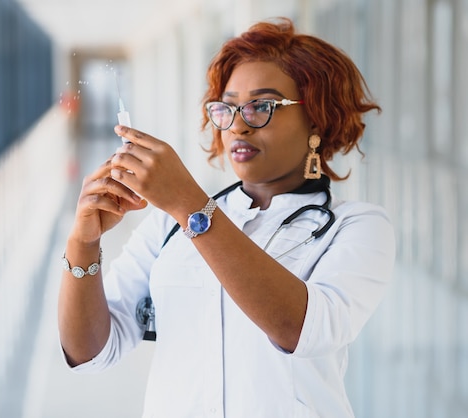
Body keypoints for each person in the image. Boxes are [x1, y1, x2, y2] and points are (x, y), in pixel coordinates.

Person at [58, 17, 395, 418]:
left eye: (261, 107)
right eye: (227, 108)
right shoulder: (169, 225)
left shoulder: (358, 228)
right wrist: (83, 243)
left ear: (317, 120)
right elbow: (90, 351)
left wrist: (190, 206)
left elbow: (303, 329)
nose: (238, 125)